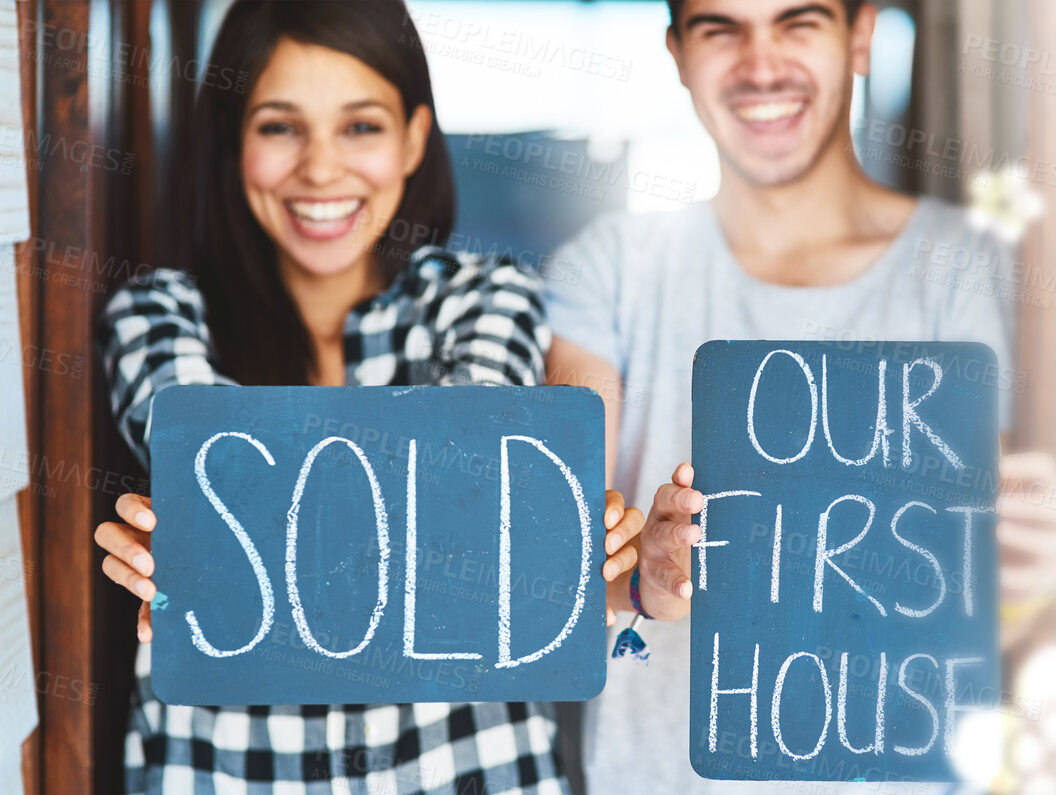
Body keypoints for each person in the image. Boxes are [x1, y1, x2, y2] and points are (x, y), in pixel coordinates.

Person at [86, 2, 644, 791]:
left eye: (360, 127)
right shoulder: (157, 312)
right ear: (233, 139)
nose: (320, 169)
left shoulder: (488, 296)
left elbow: (463, 478)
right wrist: (186, 530)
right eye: (280, 126)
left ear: (414, 137)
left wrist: (233, 540)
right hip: (226, 770)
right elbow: (203, 442)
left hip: (462, 767)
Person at [535, 0, 1056, 790]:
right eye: (721, 29)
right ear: (677, 53)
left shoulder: (967, 266)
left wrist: (1024, 574)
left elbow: (981, 568)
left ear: (859, 37)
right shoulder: (609, 267)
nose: (761, 64)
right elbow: (559, 566)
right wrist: (647, 581)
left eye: (799, 22)